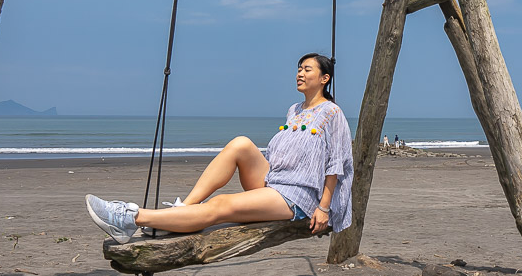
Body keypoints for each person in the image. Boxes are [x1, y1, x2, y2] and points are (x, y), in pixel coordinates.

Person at [86, 53, 353, 243]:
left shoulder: (332, 113)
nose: (300, 73)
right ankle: (183, 209)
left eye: (307, 69)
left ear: (324, 78)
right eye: (298, 68)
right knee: (241, 143)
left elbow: (335, 164)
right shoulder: (294, 110)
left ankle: (130, 218)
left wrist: (324, 209)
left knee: (221, 204)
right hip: (275, 182)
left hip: (299, 197)